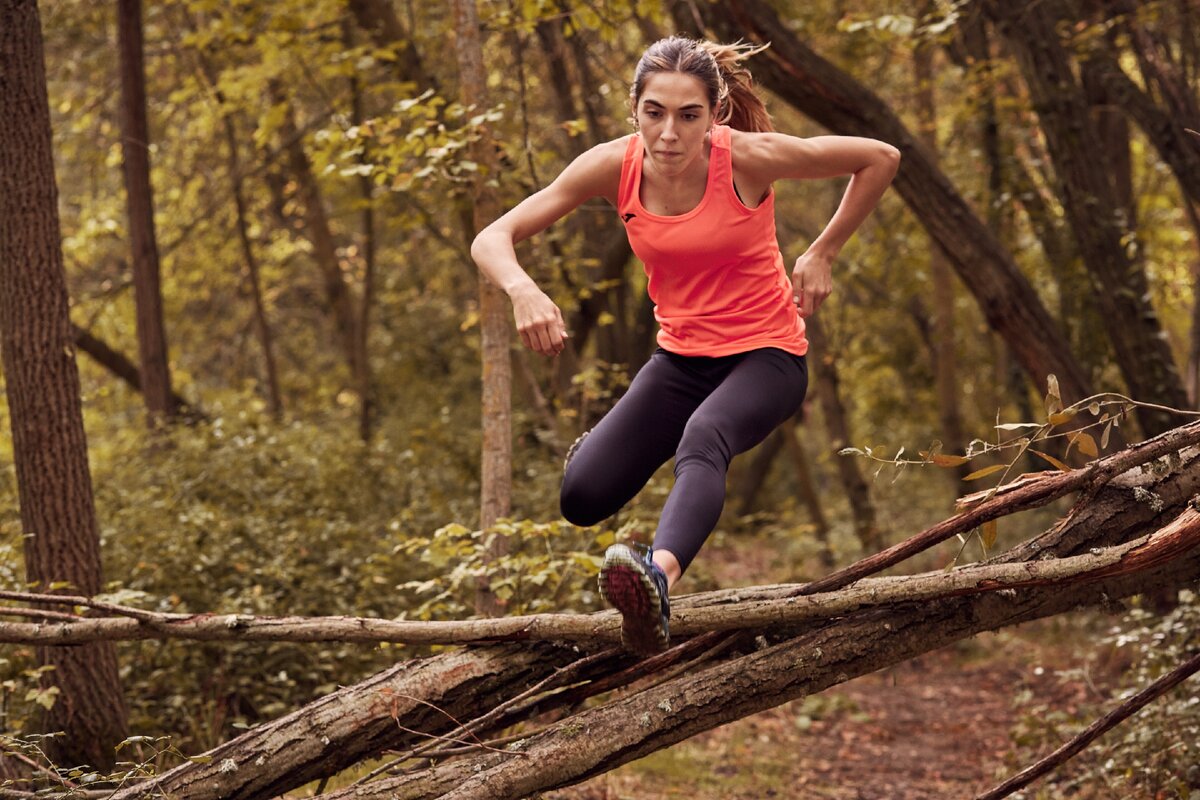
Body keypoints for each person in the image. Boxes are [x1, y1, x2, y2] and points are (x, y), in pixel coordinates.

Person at [471, 36, 900, 656]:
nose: (669, 133)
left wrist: (822, 250)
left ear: (714, 115)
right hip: (680, 359)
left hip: (768, 356)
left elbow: (880, 156)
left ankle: (656, 581)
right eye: (655, 112)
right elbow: (494, 235)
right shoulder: (611, 167)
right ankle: (597, 454)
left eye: (688, 115)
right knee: (583, 498)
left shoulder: (749, 159)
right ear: (635, 109)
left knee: (705, 437)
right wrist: (523, 291)